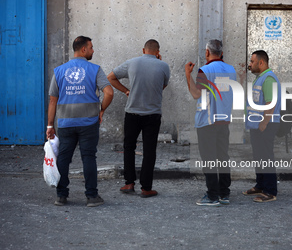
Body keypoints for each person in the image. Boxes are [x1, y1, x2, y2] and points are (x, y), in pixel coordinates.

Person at [46, 36, 113, 207]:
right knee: (89, 157)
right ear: (83, 49)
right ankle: (91, 197)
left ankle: (61, 196)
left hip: (66, 124)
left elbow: (53, 100)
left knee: (63, 158)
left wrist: (50, 125)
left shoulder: (59, 71)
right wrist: (101, 110)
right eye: (91, 47)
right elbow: (109, 93)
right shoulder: (95, 69)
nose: (93, 50)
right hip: (89, 123)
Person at [107, 39, 170, 198]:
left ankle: (129, 183)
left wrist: (127, 91)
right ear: (157, 52)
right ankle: (146, 188)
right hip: (153, 114)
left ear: (143, 50)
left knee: (129, 147)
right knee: (149, 151)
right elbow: (162, 85)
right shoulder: (164, 66)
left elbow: (110, 78)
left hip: (132, 113)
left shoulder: (131, 63)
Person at [185, 39, 237, 206]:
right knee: (222, 157)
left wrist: (188, 75)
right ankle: (224, 193)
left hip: (207, 121)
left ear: (207, 52)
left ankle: (212, 196)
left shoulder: (205, 71)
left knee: (209, 159)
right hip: (224, 121)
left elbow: (196, 94)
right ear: (221, 53)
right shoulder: (231, 70)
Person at [243, 50, 281, 202]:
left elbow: (270, 103)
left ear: (261, 63)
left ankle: (270, 191)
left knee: (266, 157)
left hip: (266, 125)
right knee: (259, 156)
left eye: (252, 62)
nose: (249, 64)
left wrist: (264, 123)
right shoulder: (260, 78)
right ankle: (260, 185)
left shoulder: (269, 79)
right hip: (257, 125)